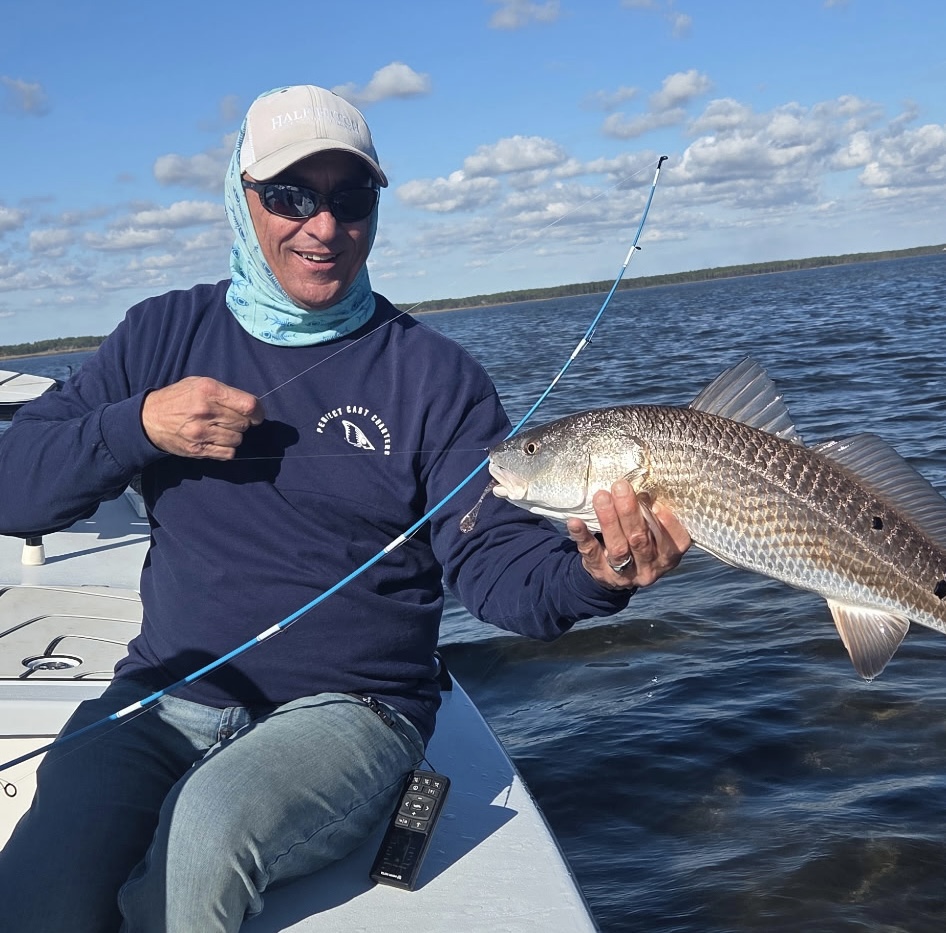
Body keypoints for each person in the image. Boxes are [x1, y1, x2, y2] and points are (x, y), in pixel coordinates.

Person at [0, 84, 689, 932]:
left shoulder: (434, 377)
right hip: (165, 693)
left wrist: (599, 572)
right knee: (35, 891)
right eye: (290, 196)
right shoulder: (161, 335)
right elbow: (15, 489)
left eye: (351, 197)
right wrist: (136, 425)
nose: (323, 226)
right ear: (241, 197)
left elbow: (496, 565)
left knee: (204, 834)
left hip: (353, 710)